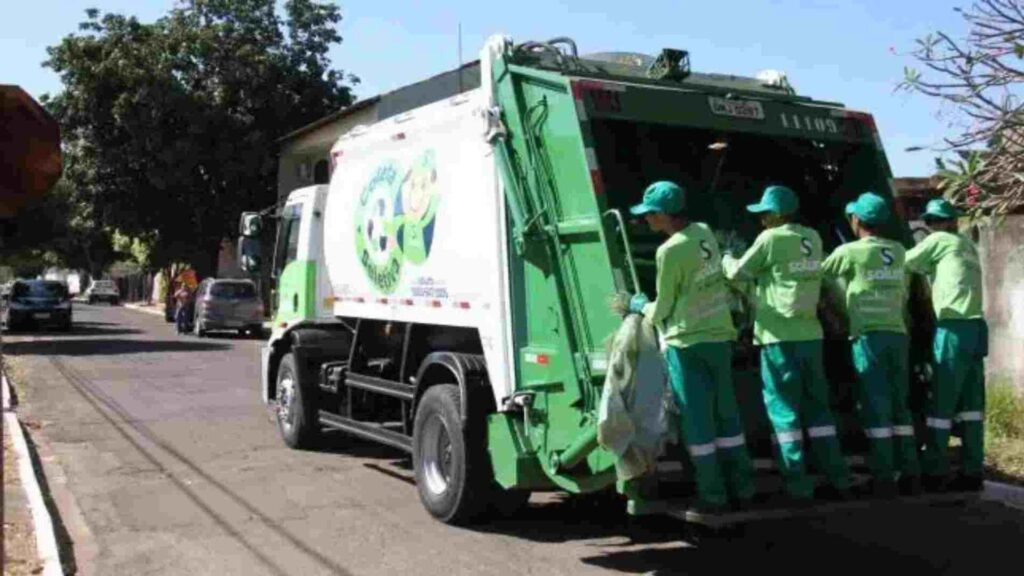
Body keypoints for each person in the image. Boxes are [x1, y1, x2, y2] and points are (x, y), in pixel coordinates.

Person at [628, 180, 755, 512]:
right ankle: (743, 487)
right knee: (727, 414)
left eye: (650, 214)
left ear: (663, 214)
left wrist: (639, 305)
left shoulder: (669, 250)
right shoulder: (703, 232)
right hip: (719, 337)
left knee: (697, 420)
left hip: (687, 344)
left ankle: (713, 494)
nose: (646, 219)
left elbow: (664, 307)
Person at [722, 185, 852, 501]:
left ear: (778, 214)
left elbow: (739, 273)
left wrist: (725, 257)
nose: (761, 219)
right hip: (811, 335)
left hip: (778, 338)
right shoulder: (813, 238)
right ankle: (837, 475)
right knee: (818, 408)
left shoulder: (770, 239)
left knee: (784, 411)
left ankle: (797, 482)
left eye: (765, 213)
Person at [821, 192, 920, 496]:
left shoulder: (850, 252)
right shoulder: (899, 250)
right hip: (898, 334)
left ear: (857, 220)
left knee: (876, 404)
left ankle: (883, 476)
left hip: (868, 337)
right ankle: (910, 471)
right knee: (899, 405)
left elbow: (817, 276)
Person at [905, 198, 987, 492]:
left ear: (940, 223)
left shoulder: (938, 240)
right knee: (972, 406)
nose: (934, 226)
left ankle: (935, 470)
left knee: (942, 402)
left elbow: (904, 262)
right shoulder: (967, 245)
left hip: (952, 327)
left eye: (934, 221)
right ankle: (972, 469)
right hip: (977, 328)